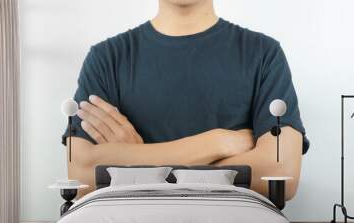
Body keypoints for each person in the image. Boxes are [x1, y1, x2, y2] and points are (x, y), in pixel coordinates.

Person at [62, 0, 308, 200]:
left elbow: (281, 175)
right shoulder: (107, 58)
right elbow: (82, 175)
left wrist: (136, 160)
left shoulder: (264, 53)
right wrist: (215, 143)